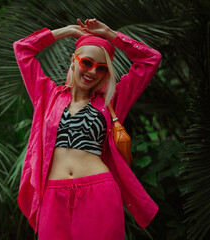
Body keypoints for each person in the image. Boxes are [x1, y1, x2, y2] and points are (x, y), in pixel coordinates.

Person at [13, 18, 162, 240]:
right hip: (53, 194)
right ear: (74, 60)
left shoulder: (111, 101)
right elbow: (22, 49)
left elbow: (151, 59)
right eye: (87, 63)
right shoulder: (47, 95)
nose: (93, 71)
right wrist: (65, 32)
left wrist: (110, 34)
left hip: (99, 190)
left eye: (101, 68)